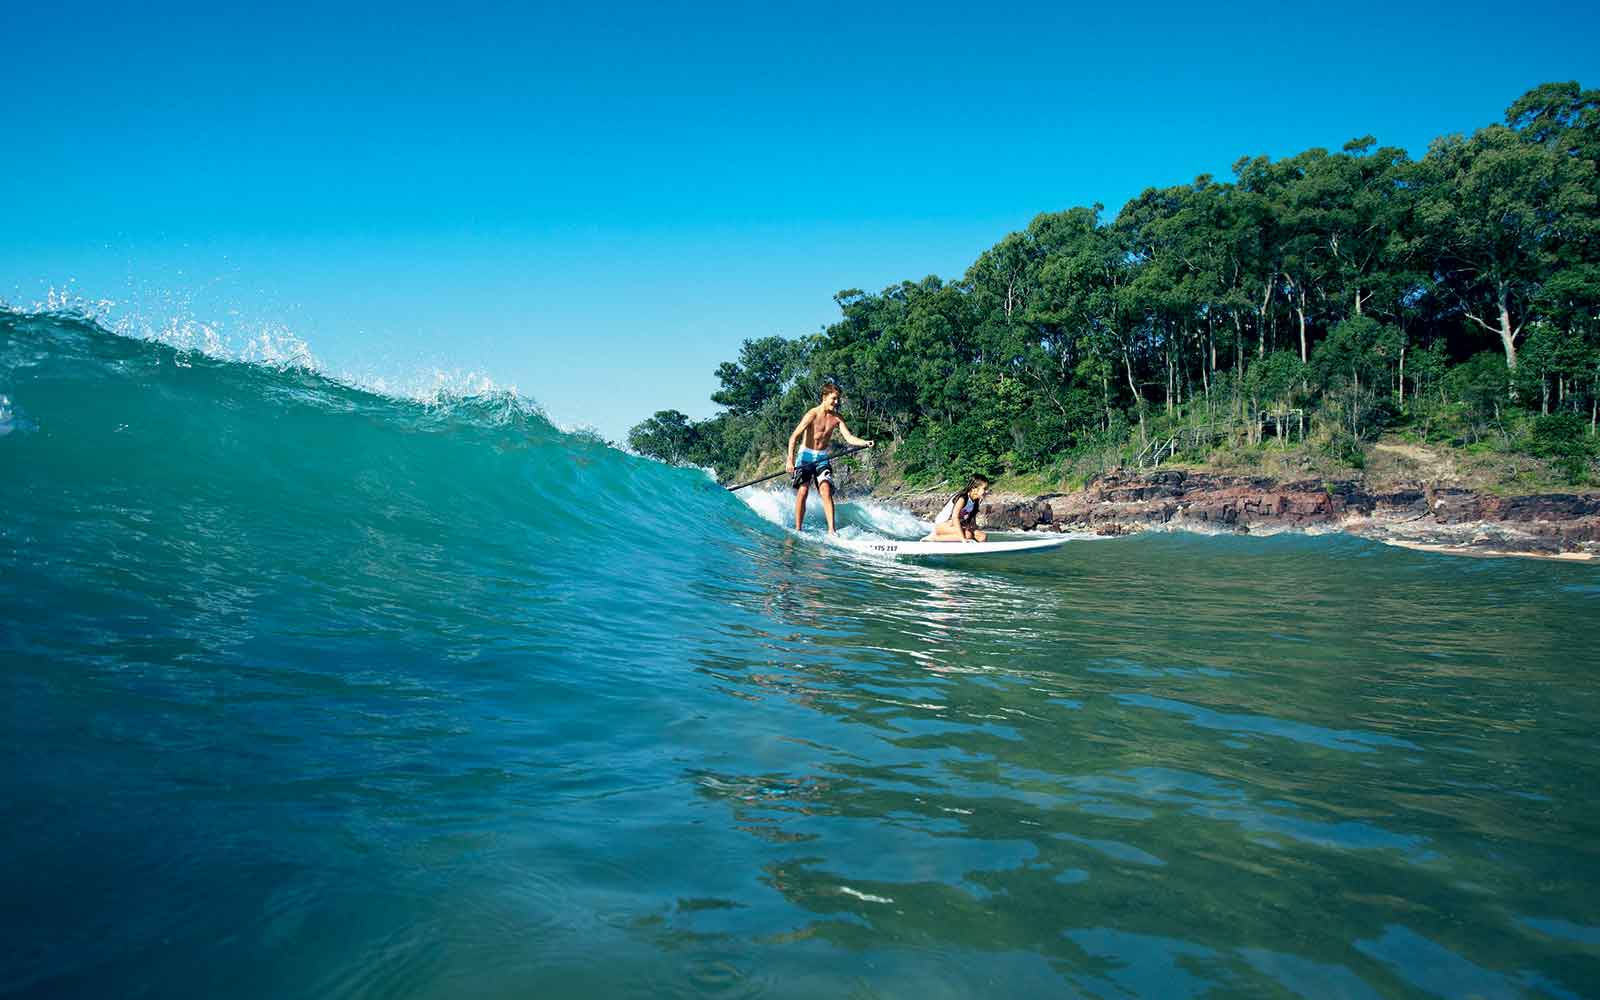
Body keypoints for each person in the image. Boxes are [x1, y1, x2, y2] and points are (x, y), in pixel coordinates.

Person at [786, 382, 873, 534]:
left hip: (822, 457)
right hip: (805, 456)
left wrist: (864, 442)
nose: (837, 402)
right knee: (803, 490)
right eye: (834, 398)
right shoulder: (812, 414)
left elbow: (849, 437)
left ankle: (832, 531)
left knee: (825, 490)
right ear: (824, 397)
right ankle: (798, 529)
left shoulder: (837, 418)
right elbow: (794, 437)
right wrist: (789, 460)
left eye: (838, 399)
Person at [925, 475, 990, 543]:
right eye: (984, 489)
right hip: (942, 525)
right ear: (974, 488)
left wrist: (974, 530)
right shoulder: (962, 498)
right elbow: (955, 517)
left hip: (955, 525)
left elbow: (972, 521)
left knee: (982, 536)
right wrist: (962, 538)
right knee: (968, 535)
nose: (987, 491)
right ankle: (934, 538)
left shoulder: (975, 501)